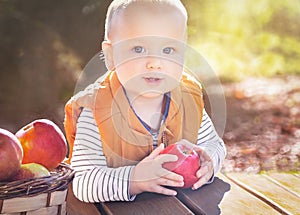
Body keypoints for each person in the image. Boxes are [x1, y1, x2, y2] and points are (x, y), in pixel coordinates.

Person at [64, 0, 226, 202]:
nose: (154, 63)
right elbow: (83, 182)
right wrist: (134, 180)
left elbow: (214, 144)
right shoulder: (97, 111)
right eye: (138, 49)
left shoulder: (187, 101)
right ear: (110, 55)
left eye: (168, 50)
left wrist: (208, 163)